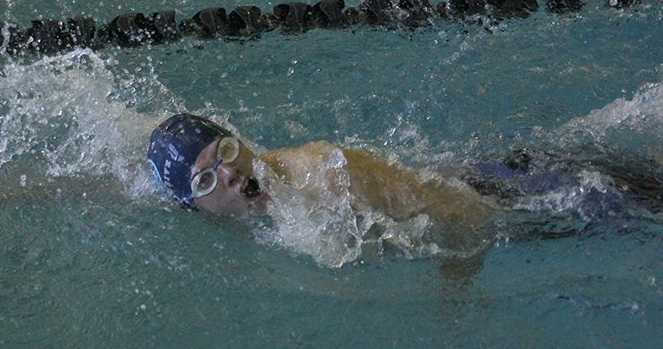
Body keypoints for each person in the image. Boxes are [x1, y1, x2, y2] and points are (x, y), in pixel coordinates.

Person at [146, 113, 494, 246]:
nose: (229, 173)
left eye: (225, 151)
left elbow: (461, 211)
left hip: (506, 197)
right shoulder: (217, 218)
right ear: (194, 206)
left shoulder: (323, 174)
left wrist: (455, 293)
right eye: (205, 181)